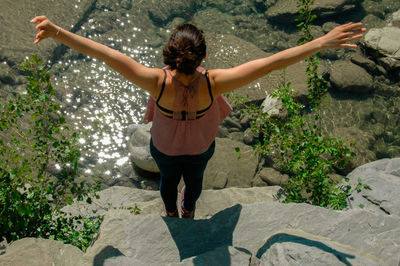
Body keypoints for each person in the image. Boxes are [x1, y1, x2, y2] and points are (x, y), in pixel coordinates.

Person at [31, 16, 366, 219]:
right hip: (200, 150)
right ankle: (187, 210)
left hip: (163, 149)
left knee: (166, 182)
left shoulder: (156, 82)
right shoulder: (215, 82)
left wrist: (56, 31)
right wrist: (322, 41)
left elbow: (105, 53)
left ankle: (171, 213)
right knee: (194, 184)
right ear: (202, 56)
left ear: (169, 56)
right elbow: (273, 63)